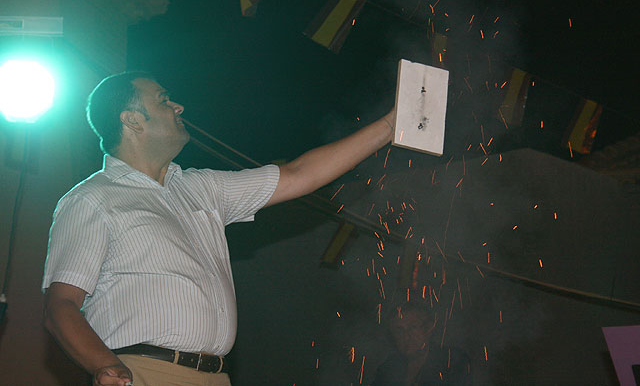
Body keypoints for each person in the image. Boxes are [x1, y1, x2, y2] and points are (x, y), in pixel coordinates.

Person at [42, 71, 396, 385]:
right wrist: (106, 366)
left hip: (216, 376)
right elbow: (62, 305)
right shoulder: (93, 198)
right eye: (164, 100)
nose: (178, 106)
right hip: (143, 373)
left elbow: (298, 174)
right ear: (132, 120)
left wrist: (391, 126)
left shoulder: (202, 187)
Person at [372, 302, 472, 385]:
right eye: (399, 330)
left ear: (428, 328)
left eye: (413, 327)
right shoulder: (388, 368)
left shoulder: (452, 361)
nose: (406, 336)